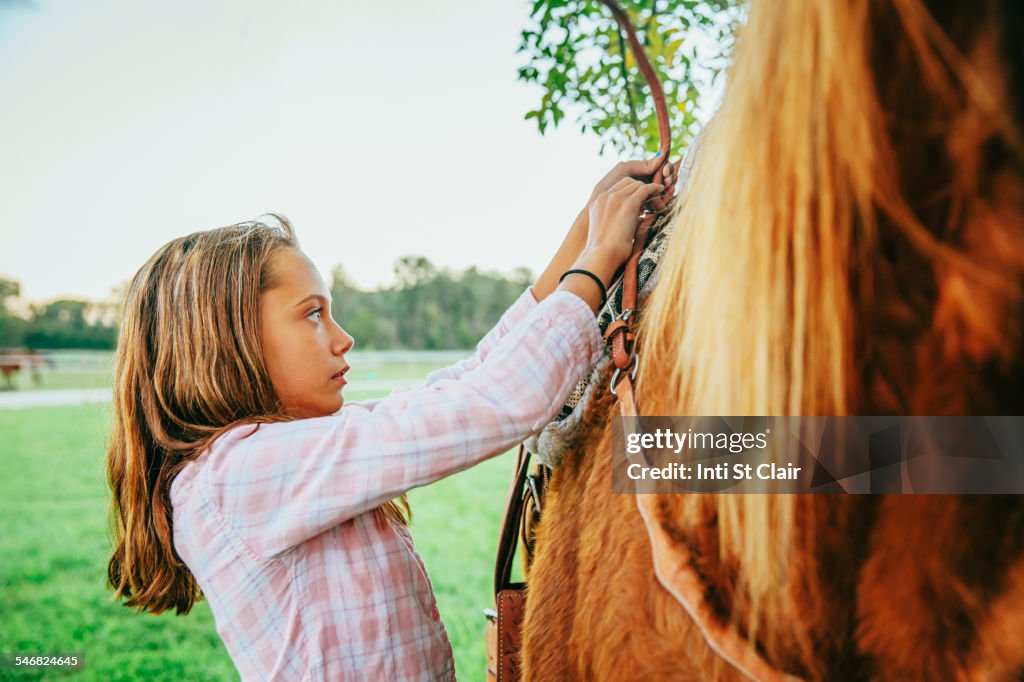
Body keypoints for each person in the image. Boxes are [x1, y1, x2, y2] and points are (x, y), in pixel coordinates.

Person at [105, 158, 673, 680]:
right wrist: (598, 260)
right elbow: (494, 399)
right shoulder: (235, 478)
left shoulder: (284, 455)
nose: (342, 338)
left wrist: (583, 231)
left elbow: (468, 378)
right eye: (312, 315)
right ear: (226, 343)